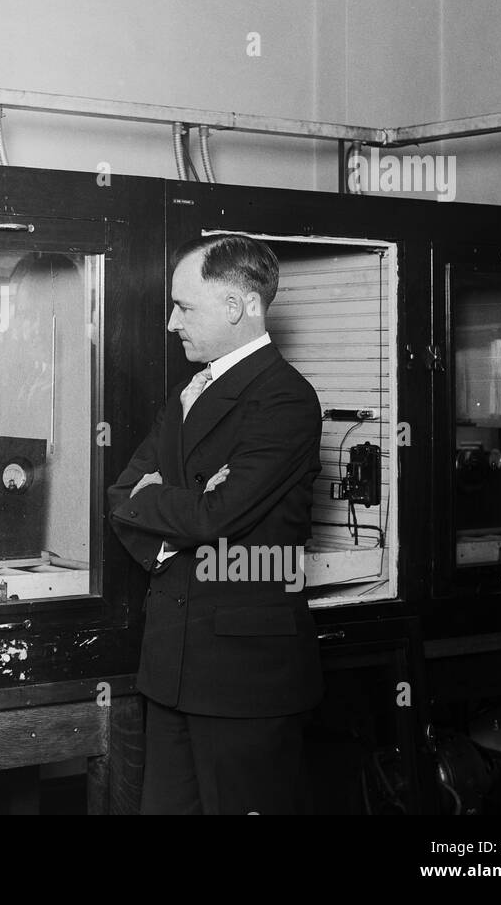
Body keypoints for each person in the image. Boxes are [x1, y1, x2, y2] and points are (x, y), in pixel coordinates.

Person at [107, 234, 324, 815]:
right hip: (171, 666)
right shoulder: (190, 391)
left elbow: (219, 515)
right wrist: (184, 514)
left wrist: (175, 507)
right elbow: (124, 496)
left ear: (236, 307)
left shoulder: (285, 400)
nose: (171, 322)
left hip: (244, 678)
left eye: (184, 306)